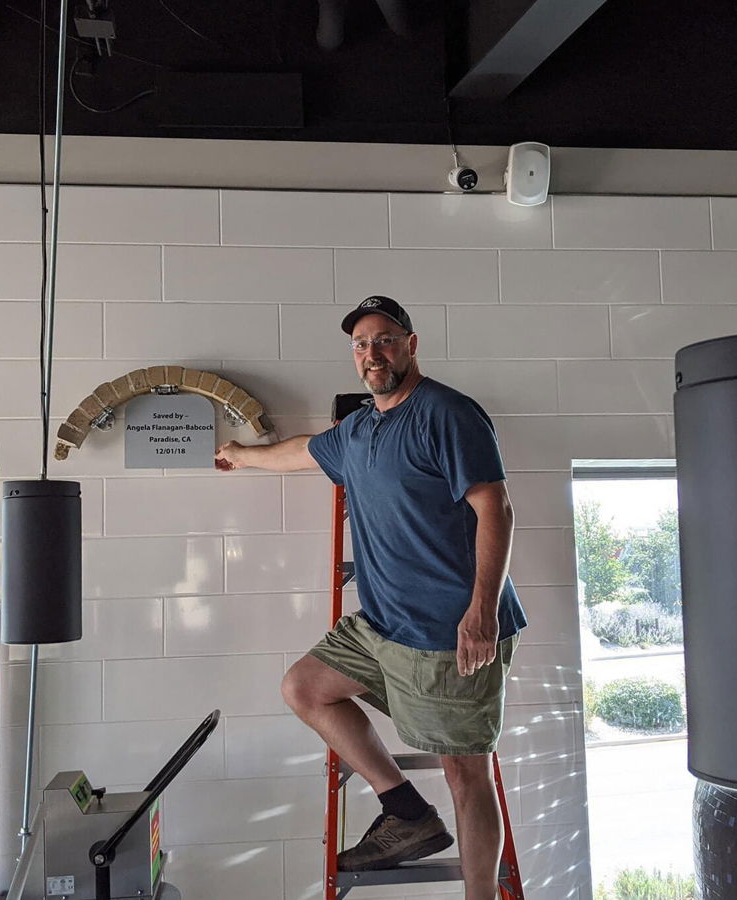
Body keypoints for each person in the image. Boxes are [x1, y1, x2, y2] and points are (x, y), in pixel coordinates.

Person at [215, 295, 526, 900]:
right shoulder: (360, 427)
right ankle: (407, 812)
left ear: (411, 344)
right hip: (382, 625)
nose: (372, 353)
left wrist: (482, 612)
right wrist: (241, 456)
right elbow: (304, 451)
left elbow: (497, 507)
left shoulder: (448, 413)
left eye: (384, 339)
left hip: (449, 632)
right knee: (304, 688)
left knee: (466, 771)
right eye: (361, 344)